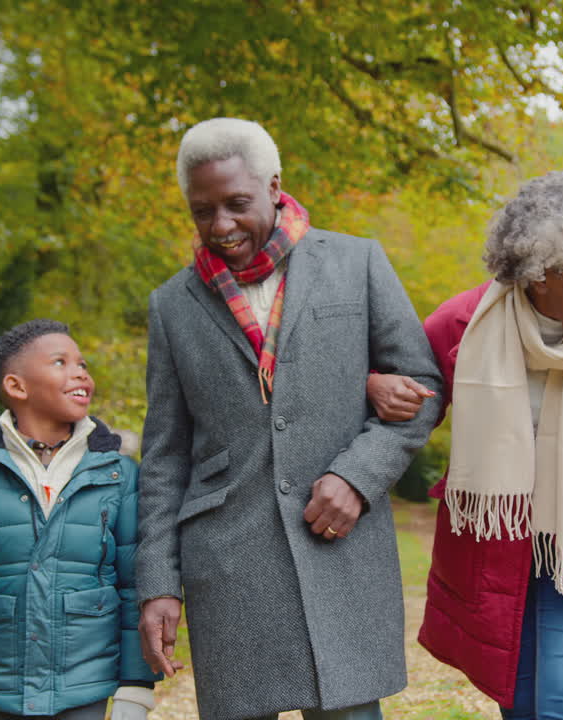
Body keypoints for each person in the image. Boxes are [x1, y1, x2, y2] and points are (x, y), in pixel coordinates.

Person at [135, 117, 442, 720]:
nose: (221, 226)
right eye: (203, 212)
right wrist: (158, 582)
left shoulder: (358, 263)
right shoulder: (172, 305)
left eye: (237, 204)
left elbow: (421, 388)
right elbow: (165, 454)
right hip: (229, 567)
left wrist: (357, 476)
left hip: (339, 549)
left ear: (274, 187)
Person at [372, 172, 563, 719]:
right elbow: (406, 402)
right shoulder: (462, 325)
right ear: (540, 275)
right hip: (497, 546)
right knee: (522, 704)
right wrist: (372, 385)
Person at [0, 319, 158, 720]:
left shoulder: (119, 473)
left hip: (84, 687)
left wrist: (136, 685)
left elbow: (135, 585)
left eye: (83, 364)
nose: (80, 372)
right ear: (17, 387)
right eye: (60, 362)